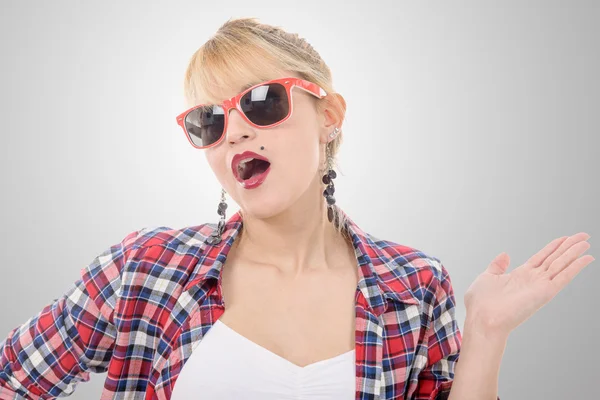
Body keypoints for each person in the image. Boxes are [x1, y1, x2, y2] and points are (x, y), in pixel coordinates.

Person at [0, 16, 593, 400]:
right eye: (209, 121)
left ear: (328, 115)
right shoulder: (145, 270)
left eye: (260, 102)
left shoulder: (414, 286)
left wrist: (487, 334)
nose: (233, 132)